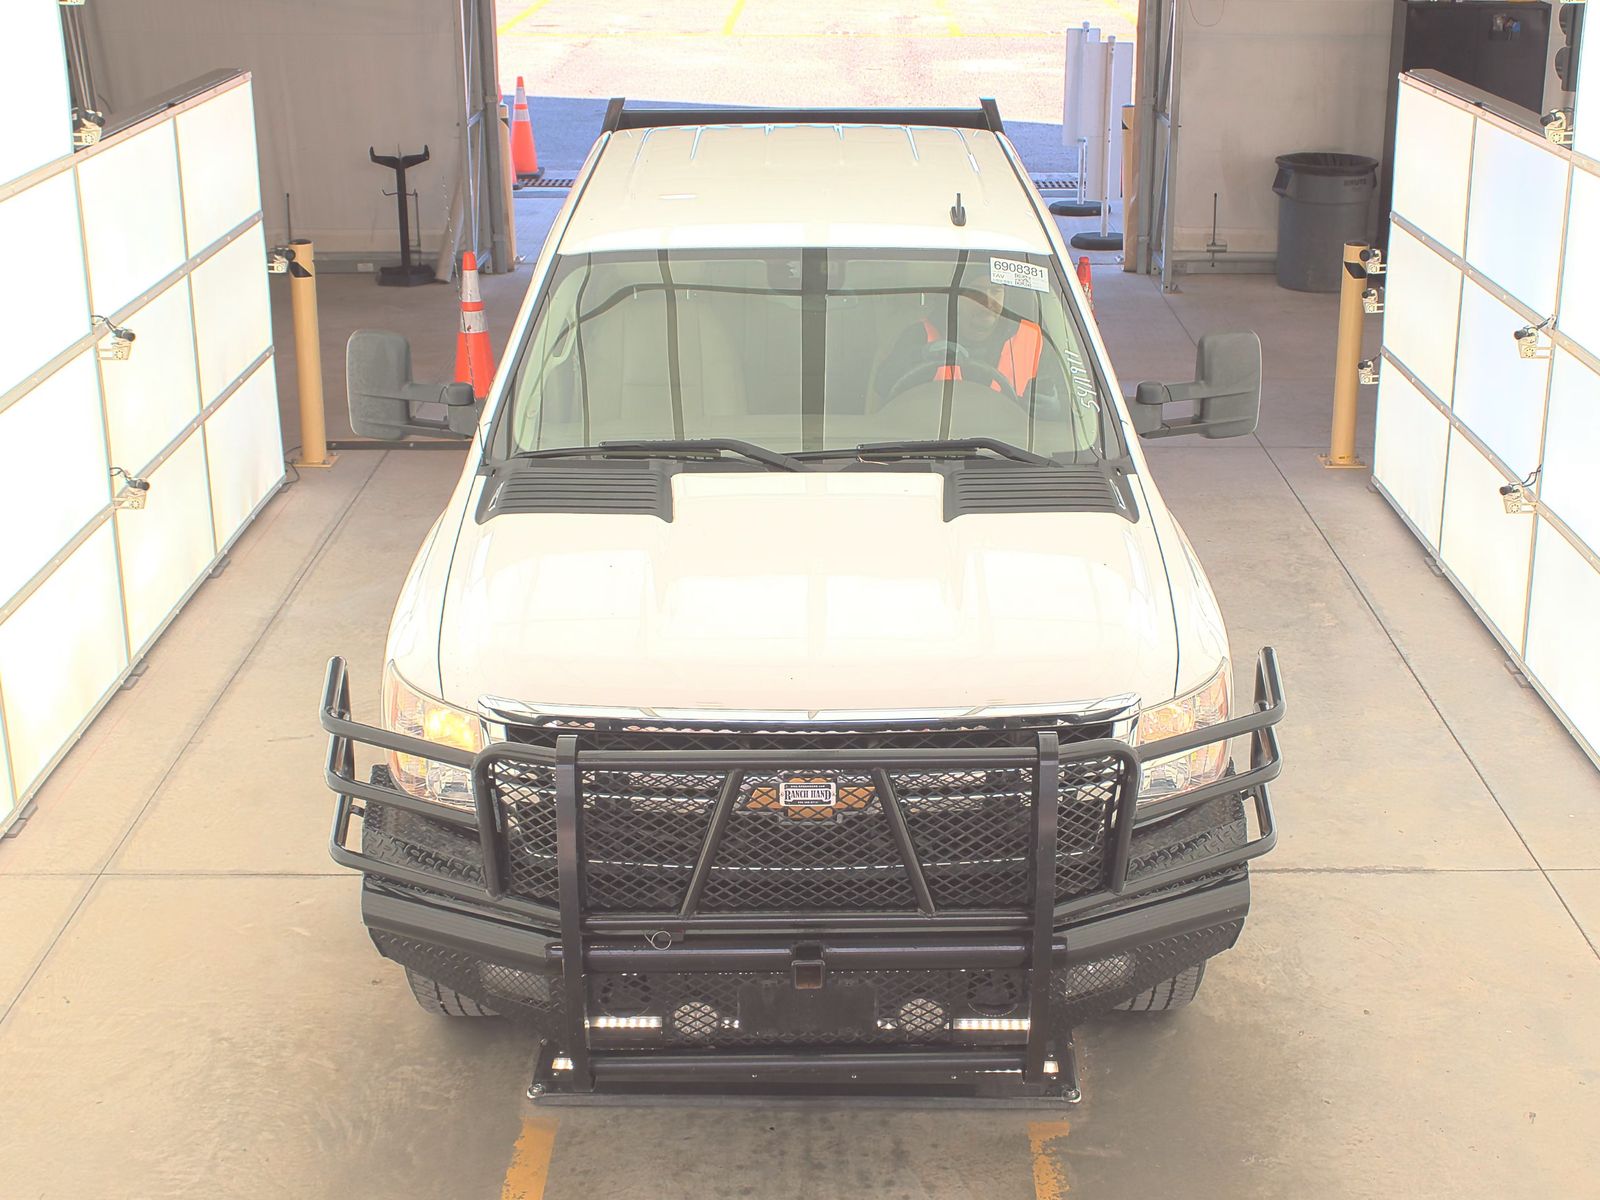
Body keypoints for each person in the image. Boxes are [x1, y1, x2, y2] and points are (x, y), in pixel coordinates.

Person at [870, 278, 1044, 407]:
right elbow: (883, 386)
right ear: (955, 297)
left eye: (996, 291)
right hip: (930, 447)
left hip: (1014, 451)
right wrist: (919, 356)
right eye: (976, 292)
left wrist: (1053, 408)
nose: (988, 302)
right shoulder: (919, 335)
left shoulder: (1032, 337)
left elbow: (1066, 402)